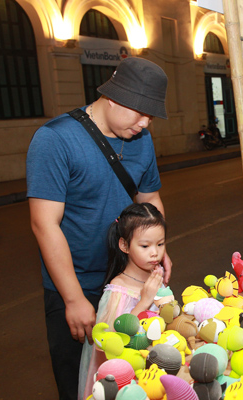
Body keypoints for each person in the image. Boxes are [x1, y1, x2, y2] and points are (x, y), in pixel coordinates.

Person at [26, 57, 172, 400]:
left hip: (130, 282)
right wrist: (74, 298)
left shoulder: (141, 140)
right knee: (84, 386)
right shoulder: (54, 139)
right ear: (114, 97)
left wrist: (157, 252)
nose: (145, 122)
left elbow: (150, 199)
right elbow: (44, 224)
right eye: (140, 112)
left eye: (151, 115)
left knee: (135, 381)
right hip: (78, 285)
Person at [78, 203, 166, 399]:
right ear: (124, 245)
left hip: (153, 371)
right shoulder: (118, 291)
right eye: (145, 246)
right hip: (128, 378)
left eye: (160, 244)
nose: (155, 253)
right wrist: (144, 301)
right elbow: (107, 343)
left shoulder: (155, 274)